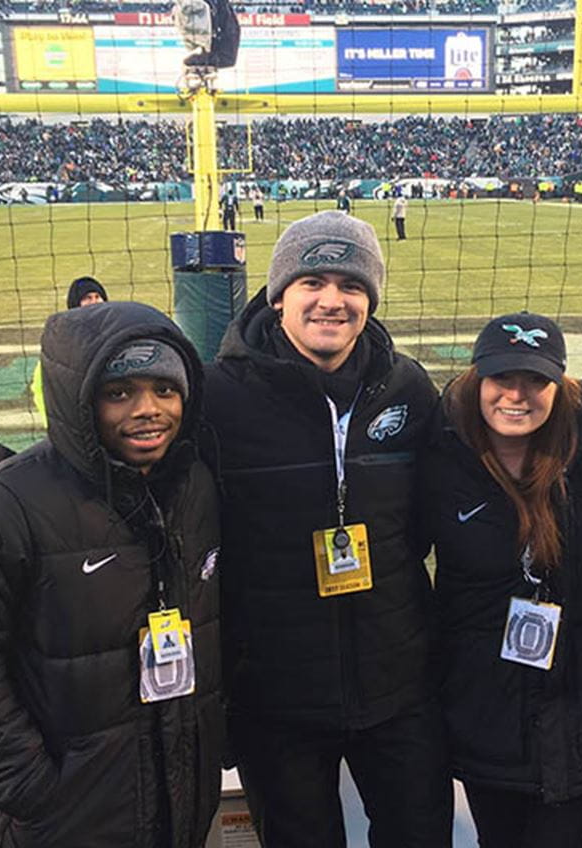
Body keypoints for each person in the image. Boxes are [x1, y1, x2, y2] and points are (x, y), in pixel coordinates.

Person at [0, 301, 222, 847]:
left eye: (165, 390)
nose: (148, 410)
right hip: (56, 820)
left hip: (174, 803)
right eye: (119, 393)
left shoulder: (194, 487)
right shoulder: (2, 506)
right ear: (79, 401)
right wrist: (34, 788)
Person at [204, 210, 451, 847]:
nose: (331, 301)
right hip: (277, 696)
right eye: (312, 281)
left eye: (351, 285)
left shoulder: (406, 388)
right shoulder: (217, 398)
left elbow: (433, 516)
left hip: (397, 688)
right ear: (279, 293)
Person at [424, 313, 582, 847]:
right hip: (486, 716)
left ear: (558, 385)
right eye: (502, 379)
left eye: (535, 381)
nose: (517, 395)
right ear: (478, 381)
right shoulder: (440, 461)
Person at [31, 275, 109, 422]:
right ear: (75, 303)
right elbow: (41, 385)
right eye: (87, 298)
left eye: (98, 296)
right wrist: (53, 424)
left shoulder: (114, 330)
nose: (94, 302)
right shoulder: (63, 337)